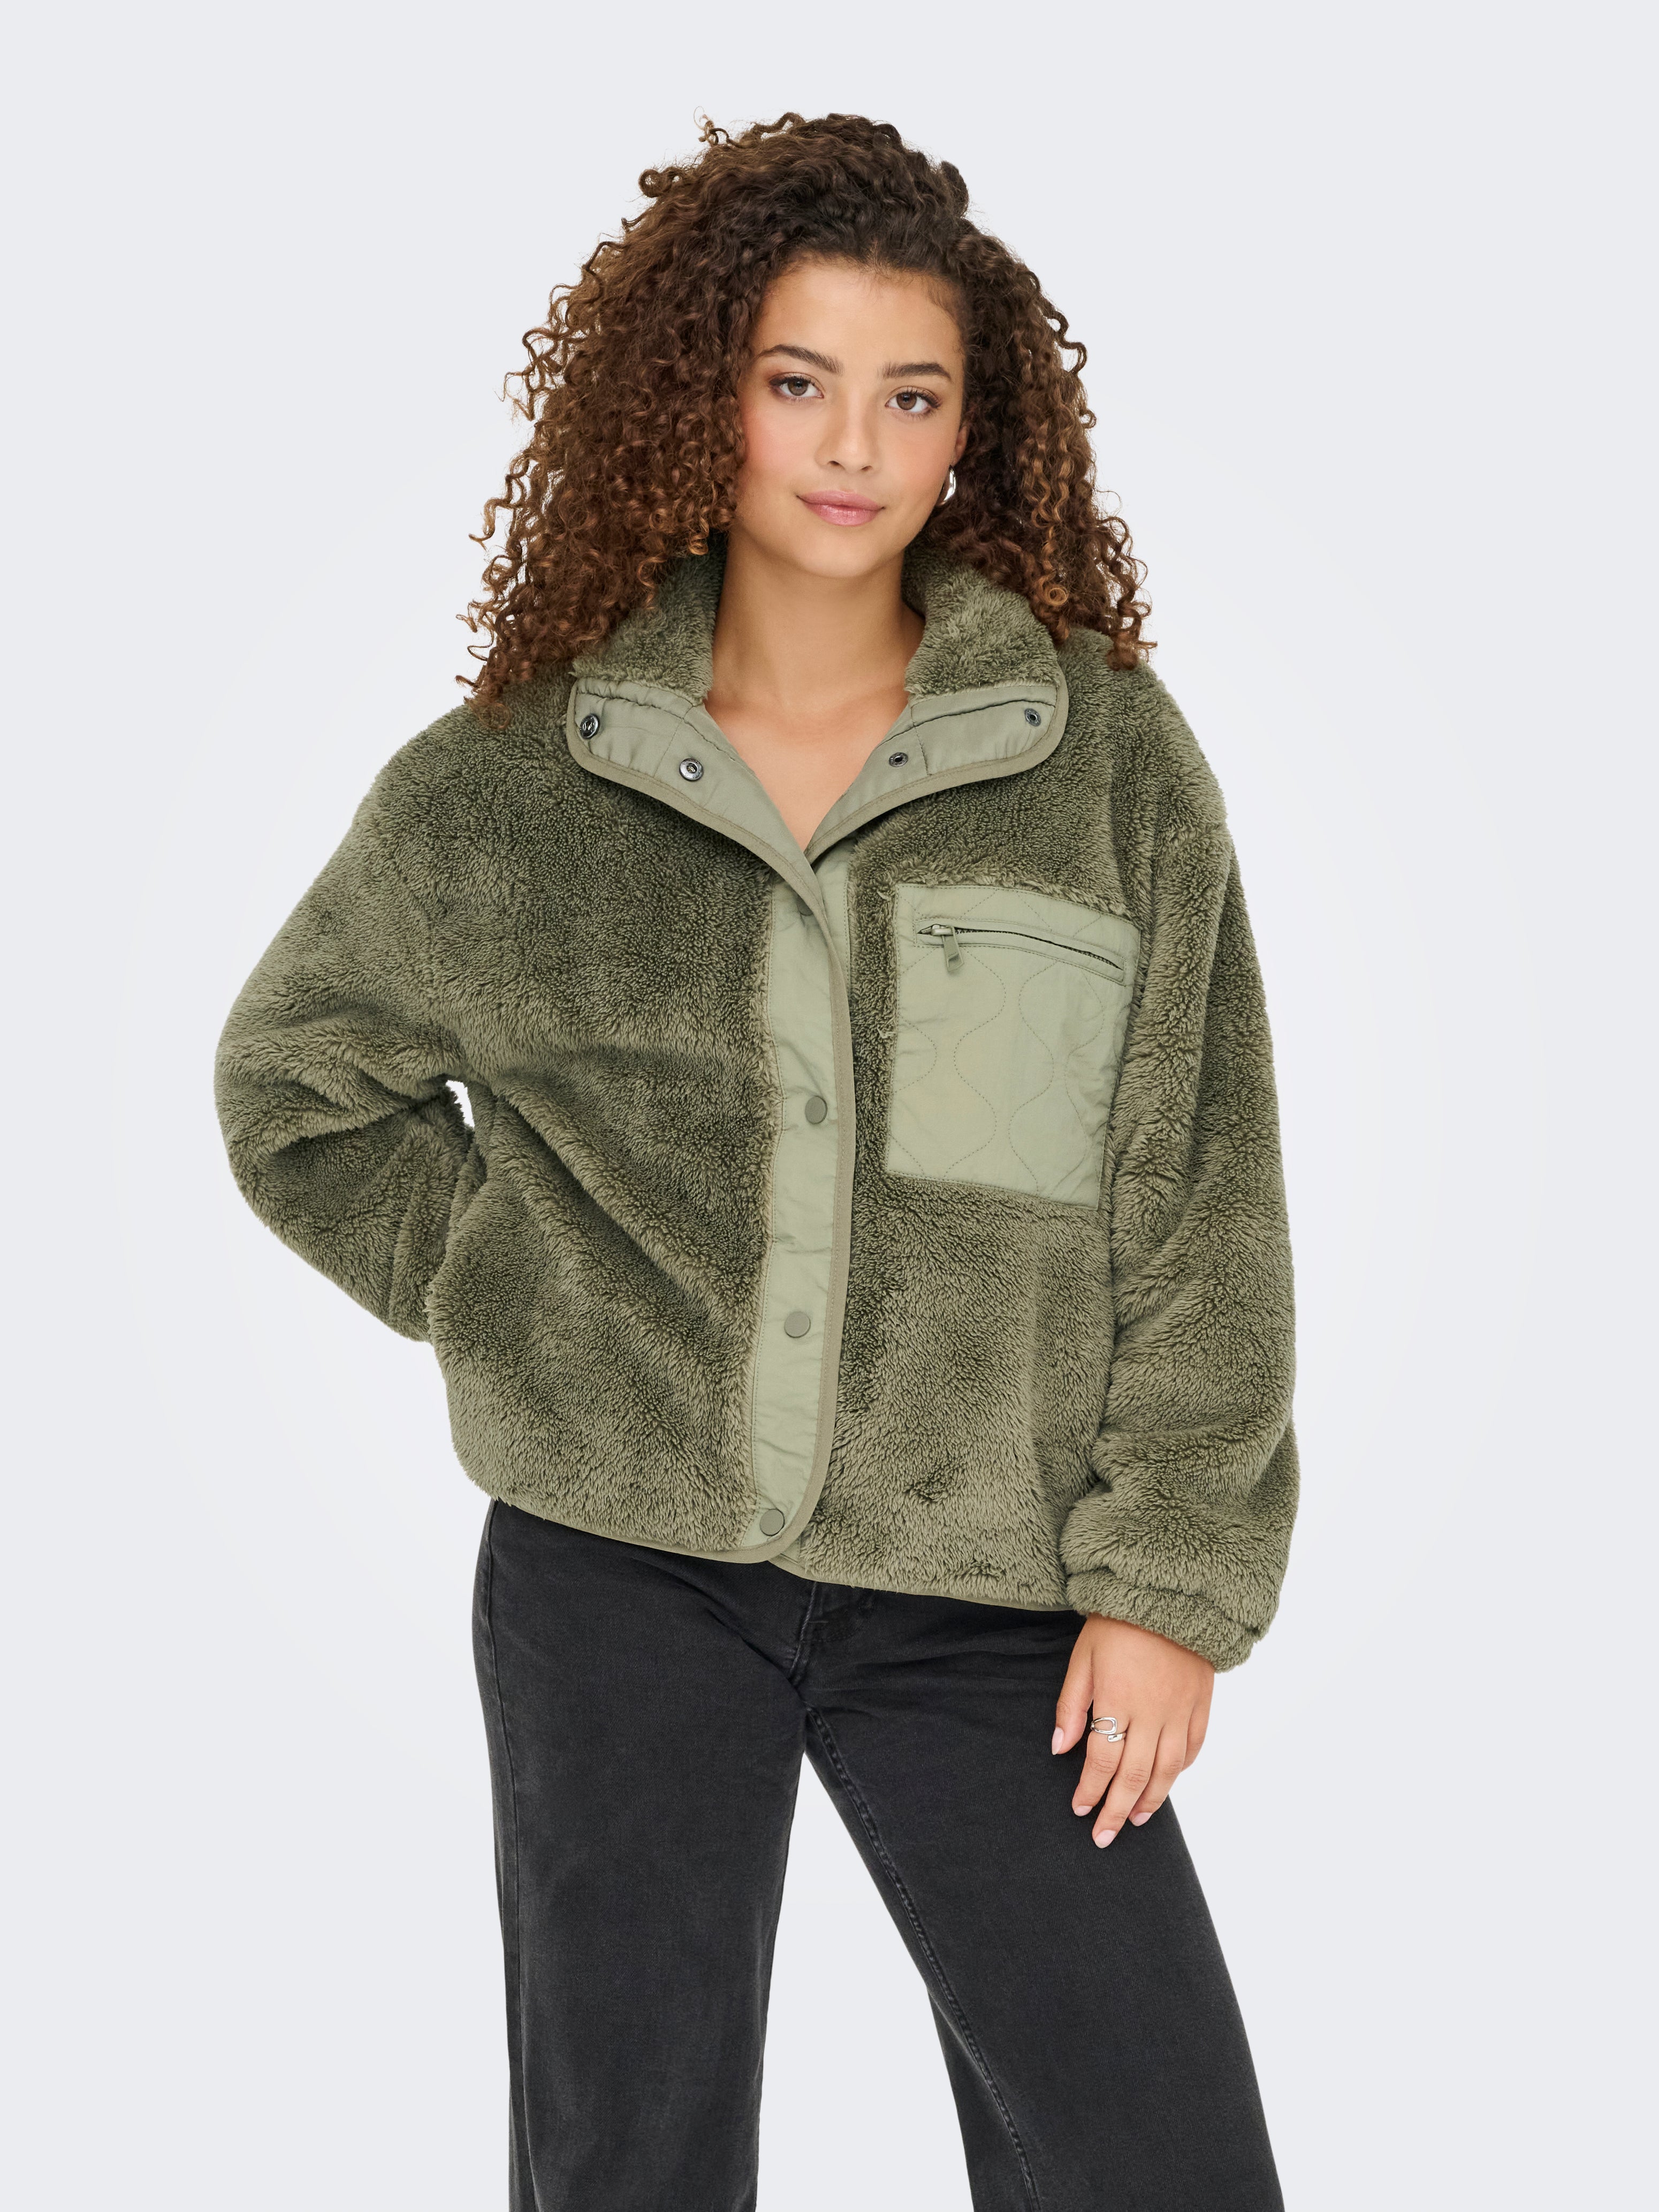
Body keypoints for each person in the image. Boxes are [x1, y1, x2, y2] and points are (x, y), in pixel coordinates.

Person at [216, 111, 1298, 2212]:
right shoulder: (510, 789)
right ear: (697, 391)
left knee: (1154, 2154)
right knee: (623, 2158)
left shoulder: (1102, 765)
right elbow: (294, 1089)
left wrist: (1167, 1579)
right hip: (618, 1578)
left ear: (977, 431)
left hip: (997, 1588)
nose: (852, 445)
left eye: (913, 395)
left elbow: (1198, 1187)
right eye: (797, 380)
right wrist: (521, 1290)